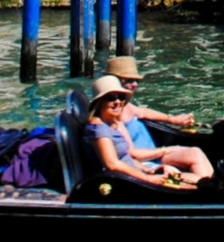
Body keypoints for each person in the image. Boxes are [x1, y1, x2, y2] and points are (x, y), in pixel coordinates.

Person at [84, 75, 212, 190]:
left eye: (121, 97)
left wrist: (149, 171)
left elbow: (127, 157)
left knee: (203, 179)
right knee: (201, 185)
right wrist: (148, 179)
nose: (118, 102)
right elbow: (113, 164)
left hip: (138, 176)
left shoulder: (112, 123)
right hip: (128, 184)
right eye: (111, 98)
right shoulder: (99, 130)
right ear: (99, 102)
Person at [103, 56, 200, 152]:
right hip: (146, 160)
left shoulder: (127, 106)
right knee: (194, 153)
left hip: (154, 154)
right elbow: (130, 153)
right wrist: (164, 151)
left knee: (195, 152)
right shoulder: (112, 113)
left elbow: (142, 112)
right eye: (129, 80)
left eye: (137, 81)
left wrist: (173, 119)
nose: (135, 84)